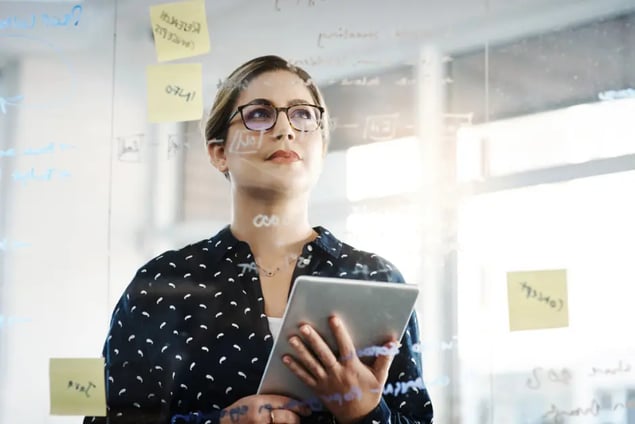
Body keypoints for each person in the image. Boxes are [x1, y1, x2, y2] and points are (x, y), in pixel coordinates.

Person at [84, 55, 434, 424]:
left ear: (321, 146)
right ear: (219, 152)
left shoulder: (375, 280)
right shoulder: (161, 284)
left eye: (302, 115)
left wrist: (365, 412)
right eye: (259, 114)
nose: (285, 130)